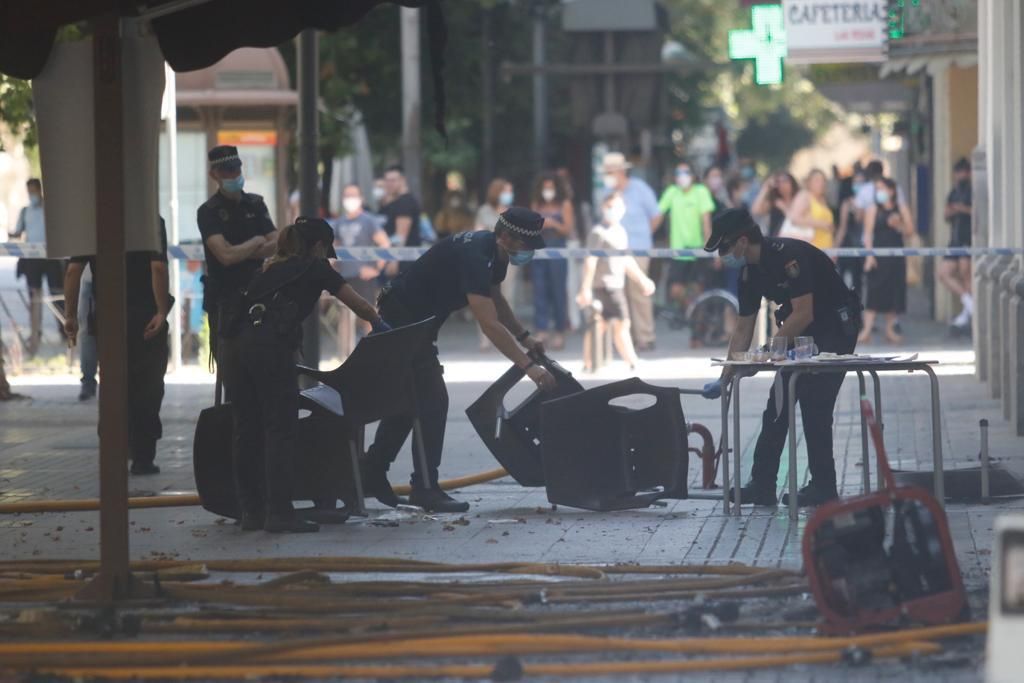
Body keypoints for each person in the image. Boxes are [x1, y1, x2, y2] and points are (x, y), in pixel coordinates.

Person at [364, 207, 557, 513]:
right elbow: (489, 323)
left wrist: (525, 338)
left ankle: (371, 472)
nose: (529, 252)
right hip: (402, 320)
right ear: (505, 236)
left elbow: (495, 299)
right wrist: (528, 367)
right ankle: (424, 488)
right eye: (525, 245)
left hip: (419, 323)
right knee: (433, 401)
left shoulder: (495, 254)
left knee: (410, 400)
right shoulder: (476, 256)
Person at [229, 217, 386, 533]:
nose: (327, 256)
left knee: (247, 430)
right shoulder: (316, 268)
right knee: (279, 428)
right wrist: (384, 326)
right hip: (271, 351)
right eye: (326, 250)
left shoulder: (270, 269)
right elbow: (359, 306)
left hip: (237, 349)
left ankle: (251, 512)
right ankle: (280, 514)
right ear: (318, 246)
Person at [711, 208, 862, 507]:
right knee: (778, 405)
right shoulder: (748, 273)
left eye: (724, 247)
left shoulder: (787, 256)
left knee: (814, 402)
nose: (722, 255)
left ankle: (824, 486)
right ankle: (762, 484)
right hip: (801, 334)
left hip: (834, 327)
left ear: (742, 241)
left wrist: (769, 351)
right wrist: (729, 370)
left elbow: (804, 312)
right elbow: (743, 326)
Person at [64, 218, 173, 475]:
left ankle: (114, 455)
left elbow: (72, 271)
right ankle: (143, 458)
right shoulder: (151, 222)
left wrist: (70, 315)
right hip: (146, 318)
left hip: (108, 319)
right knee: (148, 388)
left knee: (113, 387)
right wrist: (161, 310)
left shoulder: (93, 223)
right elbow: (158, 268)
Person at [197, 145, 278, 400]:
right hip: (226, 303)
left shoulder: (255, 203)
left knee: (265, 374)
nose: (233, 174)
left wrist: (240, 250)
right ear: (214, 175)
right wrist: (256, 243)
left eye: (236, 168)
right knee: (233, 380)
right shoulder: (209, 212)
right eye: (226, 170)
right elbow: (225, 256)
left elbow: (277, 243)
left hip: (260, 297)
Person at [577, 194, 656, 371]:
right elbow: (590, 261)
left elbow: (626, 259)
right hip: (604, 285)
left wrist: (642, 280)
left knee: (605, 325)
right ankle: (631, 361)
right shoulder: (598, 233)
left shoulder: (620, 231)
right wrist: (585, 289)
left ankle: (589, 362)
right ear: (603, 208)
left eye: (617, 206)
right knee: (619, 323)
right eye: (609, 206)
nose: (613, 210)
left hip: (616, 284)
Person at [601, 152, 660, 351]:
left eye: (610, 171)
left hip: (638, 248)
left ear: (621, 171)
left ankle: (645, 336)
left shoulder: (640, 189)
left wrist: (644, 235)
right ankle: (626, 339)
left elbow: (656, 216)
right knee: (619, 293)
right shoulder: (606, 193)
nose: (608, 175)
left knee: (640, 292)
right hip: (614, 249)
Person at [331, 184, 391, 359]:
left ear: (361, 198)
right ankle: (345, 355)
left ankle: (372, 354)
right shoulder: (339, 222)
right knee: (344, 315)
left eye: (353, 195)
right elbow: (334, 246)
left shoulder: (369, 221)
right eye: (347, 195)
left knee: (368, 314)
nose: (350, 199)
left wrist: (376, 268)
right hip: (344, 276)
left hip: (363, 276)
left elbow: (385, 244)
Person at [9, 178, 66, 357]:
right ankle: (35, 332)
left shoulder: (51, 209)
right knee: (34, 296)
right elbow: (19, 231)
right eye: (29, 191)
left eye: (34, 191)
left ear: (39, 190)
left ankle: (64, 330)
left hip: (50, 256)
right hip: (32, 257)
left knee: (57, 293)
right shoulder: (26, 211)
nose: (32, 195)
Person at [657, 161, 715, 325]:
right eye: (678, 173)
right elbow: (657, 215)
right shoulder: (672, 192)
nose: (682, 177)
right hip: (678, 252)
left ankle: (698, 329)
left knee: (698, 290)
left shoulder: (701, 191)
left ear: (693, 175)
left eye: (685, 172)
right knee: (675, 291)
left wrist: (709, 246)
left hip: (698, 250)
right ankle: (691, 311)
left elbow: (706, 222)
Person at [860, 178, 916, 344]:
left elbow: (910, 231)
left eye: (882, 188)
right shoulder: (873, 209)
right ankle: (867, 330)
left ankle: (890, 330)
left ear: (892, 191)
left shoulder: (901, 208)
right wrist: (869, 256)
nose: (879, 192)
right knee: (874, 292)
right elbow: (868, 233)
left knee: (894, 292)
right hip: (878, 256)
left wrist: (899, 225)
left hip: (896, 257)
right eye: (877, 189)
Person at [530, 172, 574, 350]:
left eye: (551, 187)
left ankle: (559, 330)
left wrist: (553, 224)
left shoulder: (565, 205)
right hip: (538, 251)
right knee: (539, 290)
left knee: (558, 291)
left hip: (557, 251)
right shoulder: (536, 205)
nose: (548, 191)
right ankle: (541, 329)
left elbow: (568, 229)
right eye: (545, 188)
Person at [474, 178, 516, 349]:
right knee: (484, 296)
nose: (509, 195)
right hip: (487, 257)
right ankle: (486, 336)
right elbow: (478, 231)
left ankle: (509, 336)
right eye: (506, 191)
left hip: (508, 259)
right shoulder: (484, 210)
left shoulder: (513, 212)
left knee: (508, 296)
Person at [939, 158, 974, 332]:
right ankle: (968, 303)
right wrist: (954, 209)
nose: (960, 175)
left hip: (968, 239)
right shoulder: (954, 191)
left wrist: (962, 209)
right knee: (943, 273)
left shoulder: (972, 190)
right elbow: (946, 213)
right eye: (957, 172)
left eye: (963, 172)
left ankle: (968, 314)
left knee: (965, 273)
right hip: (955, 239)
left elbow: (978, 212)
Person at [833, 169, 867, 296]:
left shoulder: (869, 202)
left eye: (862, 182)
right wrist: (835, 250)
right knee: (846, 279)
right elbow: (842, 227)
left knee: (859, 282)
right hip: (848, 244)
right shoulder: (847, 203)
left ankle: (857, 311)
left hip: (863, 244)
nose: (859, 185)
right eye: (856, 182)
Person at [380, 165, 422, 267]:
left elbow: (400, 236)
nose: (389, 184)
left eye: (393, 180)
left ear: (402, 180)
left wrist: (394, 261)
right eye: (387, 180)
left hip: (403, 262)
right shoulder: (393, 203)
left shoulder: (405, 202)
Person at [785, 169, 835, 250]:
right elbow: (795, 219)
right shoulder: (805, 196)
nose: (821, 183)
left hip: (827, 249)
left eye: (823, 180)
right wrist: (821, 224)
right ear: (809, 182)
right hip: (812, 249)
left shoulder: (822, 199)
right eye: (817, 180)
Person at [751, 170, 799, 238]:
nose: (782, 184)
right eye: (779, 182)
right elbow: (755, 210)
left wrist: (784, 208)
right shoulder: (774, 202)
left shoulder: (799, 200)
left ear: (792, 182)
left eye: (785, 181)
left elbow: (796, 220)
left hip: (796, 239)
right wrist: (766, 188)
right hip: (777, 241)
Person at [77, 263, 98, 401]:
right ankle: (88, 382)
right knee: (87, 334)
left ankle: (88, 382)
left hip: (90, 279)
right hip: (89, 279)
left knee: (87, 334)